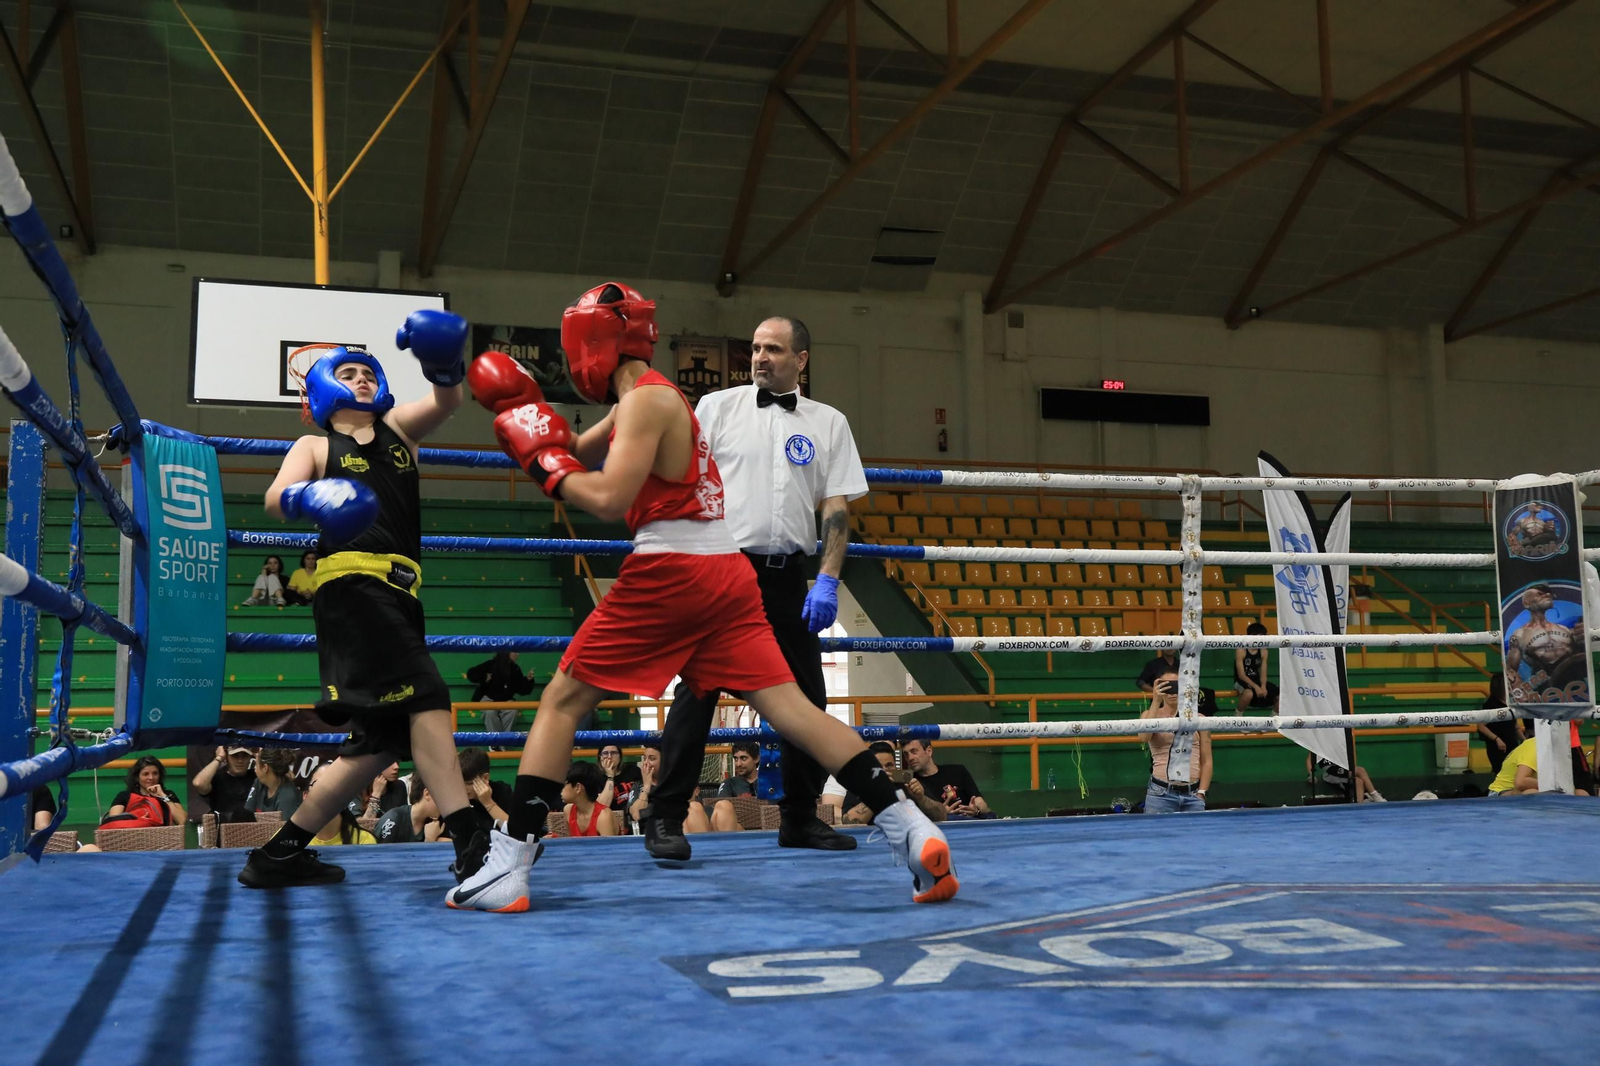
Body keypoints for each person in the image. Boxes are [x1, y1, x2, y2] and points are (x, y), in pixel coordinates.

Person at [449, 282, 956, 911]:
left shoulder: (648, 403)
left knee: (562, 698)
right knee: (794, 711)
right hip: (728, 569)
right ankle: (909, 826)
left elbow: (601, 495)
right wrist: (524, 419)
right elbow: (574, 452)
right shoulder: (653, 396)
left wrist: (544, 467)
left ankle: (509, 863)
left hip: (675, 564)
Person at [236, 311, 494, 889]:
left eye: (366, 371)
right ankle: (470, 842)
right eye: (347, 372)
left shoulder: (399, 432)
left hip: (402, 595)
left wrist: (444, 362)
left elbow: (448, 400)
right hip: (353, 590)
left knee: (378, 747)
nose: (359, 378)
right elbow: (276, 499)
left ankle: (277, 854)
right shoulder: (314, 444)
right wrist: (314, 496)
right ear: (325, 386)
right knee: (427, 695)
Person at [643, 315, 864, 859]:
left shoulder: (829, 422)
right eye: (756, 348)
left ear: (801, 359)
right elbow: (684, 484)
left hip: (789, 577)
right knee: (696, 694)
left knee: (808, 697)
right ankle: (665, 817)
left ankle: (799, 818)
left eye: (773, 349)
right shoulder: (717, 408)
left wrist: (828, 581)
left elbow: (835, 510)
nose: (760, 357)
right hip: (721, 570)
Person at [1139, 672, 1212, 813]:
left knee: (1197, 835)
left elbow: (1207, 760)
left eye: (1176, 686)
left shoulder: (1200, 718)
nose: (1172, 692)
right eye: (1166, 686)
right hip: (1161, 793)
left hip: (1193, 793)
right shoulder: (1149, 715)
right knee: (1157, 835)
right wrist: (1156, 700)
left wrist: (1201, 793)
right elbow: (1143, 737)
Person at [901, 738, 989, 818]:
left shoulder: (958, 771)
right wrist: (942, 813)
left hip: (970, 825)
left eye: (914, 752)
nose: (910, 758)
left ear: (929, 751)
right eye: (906, 755)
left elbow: (982, 804)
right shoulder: (910, 785)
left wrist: (976, 810)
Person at [465, 651, 537, 736]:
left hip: (506, 701)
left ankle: (502, 740)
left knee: (513, 711)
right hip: (488, 699)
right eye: (515, 651)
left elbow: (522, 689)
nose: (518, 654)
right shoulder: (490, 664)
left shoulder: (515, 669)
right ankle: (496, 743)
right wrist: (484, 677)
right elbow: (471, 673)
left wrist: (528, 679)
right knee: (490, 712)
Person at [304, 764, 378, 846]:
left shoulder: (363, 841)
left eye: (335, 785)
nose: (327, 792)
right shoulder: (293, 842)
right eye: (318, 784)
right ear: (306, 796)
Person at [103, 756, 188, 827]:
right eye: (145, 774)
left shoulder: (168, 794)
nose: (151, 778)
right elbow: (113, 822)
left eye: (155, 773)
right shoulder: (124, 796)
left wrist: (162, 796)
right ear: (137, 777)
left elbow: (182, 820)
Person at [1476, 673, 1526, 778]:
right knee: (1502, 774)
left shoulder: (1510, 702)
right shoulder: (1490, 705)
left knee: (1515, 773)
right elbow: (1481, 726)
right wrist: (1497, 739)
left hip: (1512, 743)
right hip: (1497, 747)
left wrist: (1524, 740)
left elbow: (1514, 724)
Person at [193, 746, 258, 821]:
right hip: (225, 826)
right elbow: (199, 783)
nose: (240, 760)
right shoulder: (217, 778)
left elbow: (272, 777)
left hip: (254, 827)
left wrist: (259, 756)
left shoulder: (257, 777)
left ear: (250, 757)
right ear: (226, 757)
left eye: (244, 756)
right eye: (235, 756)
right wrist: (219, 757)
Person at [374, 776, 444, 843]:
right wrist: (429, 841)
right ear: (427, 794)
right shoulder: (393, 821)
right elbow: (378, 854)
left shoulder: (437, 822)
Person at [709, 741, 760, 832]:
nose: (738, 764)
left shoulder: (769, 782)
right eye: (736, 759)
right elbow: (719, 812)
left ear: (756, 758)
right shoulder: (729, 784)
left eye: (743, 758)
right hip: (736, 832)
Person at [561, 762, 618, 837]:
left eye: (563, 785)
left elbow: (609, 848)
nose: (560, 788)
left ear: (578, 787)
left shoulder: (603, 816)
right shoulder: (568, 810)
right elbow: (572, 845)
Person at [1233, 622, 1280, 712]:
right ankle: (1237, 716)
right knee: (1248, 694)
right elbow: (1241, 675)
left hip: (1256, 680)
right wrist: (1256, 687)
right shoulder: (1241, 650)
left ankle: (1273, 719)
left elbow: (1263, 672)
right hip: (1241, 681)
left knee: (1281, 694)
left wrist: (1263, 686)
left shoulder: (1264, 651)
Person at [246, 749, 302, 818]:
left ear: (265, 768)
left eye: (256, 764)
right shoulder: (258, 783)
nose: (255, 769)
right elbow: (247, 814)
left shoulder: (288, 796)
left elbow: (286, 828)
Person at [1308, 753, 1385, 802]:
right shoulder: (1318, 743)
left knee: (1358, 781)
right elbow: (1309, 760)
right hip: (1330, 771)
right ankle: (1374, 794)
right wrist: (1311, 775)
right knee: (1360, 770)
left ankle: (1359, 805)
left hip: (1340, 769)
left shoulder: (1338, 740)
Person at [597, 742, 643, 812]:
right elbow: (603, 806)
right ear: (600, 757)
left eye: (613, 753)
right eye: (605, 753)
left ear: (620, 756)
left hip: (635, 813)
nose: (609, 757)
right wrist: (610, 776)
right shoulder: (596, 777)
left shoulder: (633, 770)